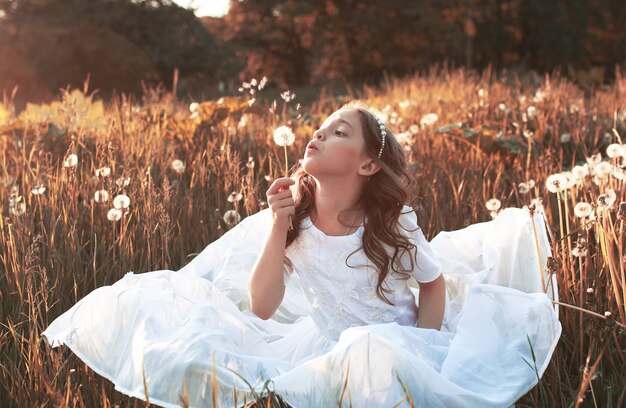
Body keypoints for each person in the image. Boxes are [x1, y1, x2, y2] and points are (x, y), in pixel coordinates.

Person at [43, 102, 561, 408]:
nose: (320, 132)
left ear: (366, 166)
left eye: (341, 132)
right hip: (325, 341)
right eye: (321, 126)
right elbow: (263, 307)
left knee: (373, 355)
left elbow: (432, 284)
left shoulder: (391, 226)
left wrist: (422, 347)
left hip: (397, 336)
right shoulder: (297, 224)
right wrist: (279, 223)